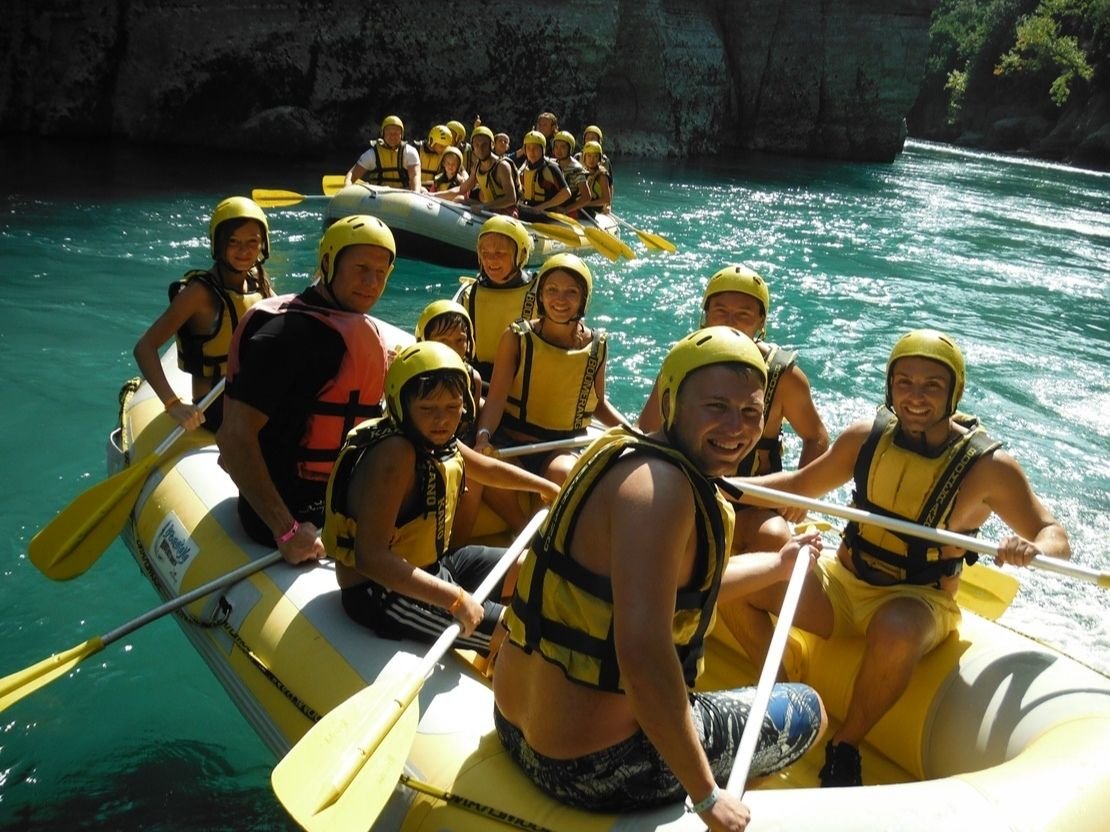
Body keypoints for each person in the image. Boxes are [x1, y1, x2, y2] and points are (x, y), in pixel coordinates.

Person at [493, 326, 826, 831]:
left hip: (514, 727)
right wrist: (708, 797)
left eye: (752, 412)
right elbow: (644, 654)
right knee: (807, 707)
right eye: (715, 406)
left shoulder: (621, 458)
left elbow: (675, 589)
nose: (736, 428)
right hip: (592, 769)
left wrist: (779, 563)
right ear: (670, 401)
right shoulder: (666, 492)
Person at [721, 328, 1072, 788]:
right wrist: (721, 486)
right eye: (904, 383)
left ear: (953, 392)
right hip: (843, 584)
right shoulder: (866, 437)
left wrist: (1033, 549)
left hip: (919, 599)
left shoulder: (988, 468)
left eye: (931, 385)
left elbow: (1053, 535)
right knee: (730, 582)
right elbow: (803, 485)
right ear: (890, 387)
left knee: (895, 629)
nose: (915, 397)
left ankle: (844, 745)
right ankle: (784, 692)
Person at [324, 341, 558, 654]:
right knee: (523, 632)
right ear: (401, 406)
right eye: (428, 409)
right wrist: (456, 599)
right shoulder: (395, 454)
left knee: (536, 565)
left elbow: (485, 469)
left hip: (434, 566)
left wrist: (545, 487)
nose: (442, 420)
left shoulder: (434, 439)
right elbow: (370, 557)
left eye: (452, 408)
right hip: (384, 593)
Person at [217, 215, 395, 565]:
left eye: (381, 273)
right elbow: (233, 437)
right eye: (360, 267)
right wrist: (286, 530)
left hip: (337, 499)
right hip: (291, 513)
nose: (371, 282)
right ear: (328, 264)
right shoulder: (285, 336)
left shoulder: (357, 329)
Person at [639, 264, 829, 551]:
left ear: (761, 323)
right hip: (693, 490)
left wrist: (800, 497)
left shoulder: (785, 377)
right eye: (721, 312)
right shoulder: (683, 362)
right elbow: (649, 428)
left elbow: (816, 437)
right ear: (705, 317)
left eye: (743, 314)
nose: (730, 322)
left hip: (753, 500)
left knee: (774, 537)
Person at [475, 253, 631, 484]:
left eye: (572, 292)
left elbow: (597, 404)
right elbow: (496, 399)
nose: (560, 299)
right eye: (552, 290)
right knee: (487, 472)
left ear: (583, 299)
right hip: (510, 441)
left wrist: (632, 432)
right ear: (540, 295)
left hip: (561, 448)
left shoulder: (597, 346)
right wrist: (483, 436)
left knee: (563, 474)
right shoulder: (516, 337)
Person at [133, 196, 275, 432]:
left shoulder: (258, 283)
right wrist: (173, 405)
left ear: (263, 245)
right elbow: (144, 347)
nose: (244, 251)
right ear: (218, 244)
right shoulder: (199, 293)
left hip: (251, 397)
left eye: (253, 241)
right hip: (215, 406)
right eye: (233, 241)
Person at [458, 215, 538, 380]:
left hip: (523, 381)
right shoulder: (470, 294)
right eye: (484, 253)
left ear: (520, 255)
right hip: (480, 379)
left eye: (500, 253)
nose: (490, 260)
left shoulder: (540, 295)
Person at [343, 114, 421, 191]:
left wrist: (416, 193)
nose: (393, 136)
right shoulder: (371, 154)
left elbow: (415, 176)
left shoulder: (410, 152)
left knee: (423, 190)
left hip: (403, 194)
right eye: (389, 133)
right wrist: (347, 188)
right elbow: (352, 175)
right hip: (378, 196)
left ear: (402, 135)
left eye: (396, 133)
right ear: (383, 134)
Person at [455, 125, 518, 214]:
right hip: (488, 208)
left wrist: (484, 206)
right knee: (459, 200)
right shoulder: (477, 165)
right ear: (473, 147)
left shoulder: (502, 166)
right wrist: (433, 195)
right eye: (477, 145)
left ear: (491, 145)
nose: (480, 149)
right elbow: (461, 190)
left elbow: (511, 199)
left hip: (506, 211)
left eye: (484, 145)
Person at [517, 130, 572, 213]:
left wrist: (541, 207)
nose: (531, 152)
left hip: (547, 212)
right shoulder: (525, 167)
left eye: (535, 148)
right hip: (529, 209)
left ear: (543, 150)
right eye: (528, 148)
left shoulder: (551, 168)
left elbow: (566, 193)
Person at [564, 141, 612, 217]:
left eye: (595, 156)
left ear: (599, 158)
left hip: (594, 208)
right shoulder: (582, 171)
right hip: (584, 204)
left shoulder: (602, 175)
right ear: (584, 157)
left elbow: (606, 199)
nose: (592, 159)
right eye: (589, 156)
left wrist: (586, 203)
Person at [551, 130, 587, 205]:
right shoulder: (552, 164)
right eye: (556, 147)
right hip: (554, 203)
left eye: (563, 147)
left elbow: (586, 197)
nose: (558, 150)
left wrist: (566, 210)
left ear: (570, 149)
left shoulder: (577, 169)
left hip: (568, 206)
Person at [415, 124, 454, 190]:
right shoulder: (416, 148)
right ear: (432, 141)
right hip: (414, 187)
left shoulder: (446, 155)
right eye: (441, 146)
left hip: (433, 191)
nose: (444, 150)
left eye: (446, 147)